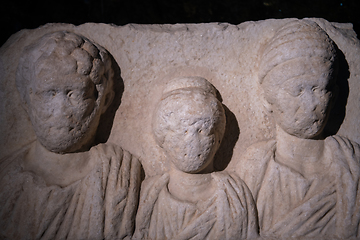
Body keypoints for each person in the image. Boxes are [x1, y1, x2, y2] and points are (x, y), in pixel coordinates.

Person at [0, 31, 142, 240]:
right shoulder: (6, 180)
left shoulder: (119, 173)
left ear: (103, 100)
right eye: (49, 93)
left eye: (74, 94)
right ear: (26, 100)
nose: (61, 111)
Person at [236, 19, 360, 239]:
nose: (312, 103)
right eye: (298, 91)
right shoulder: (253, 169)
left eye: (321, 89)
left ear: (335, 95)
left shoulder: (352, 164)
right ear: (267, 101)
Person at [134, 77, 258, 240]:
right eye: (181, 131)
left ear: (218, 138)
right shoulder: (148, 195)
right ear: (162, 138)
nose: (192, 142)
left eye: (203, 130)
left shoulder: (234, 194)